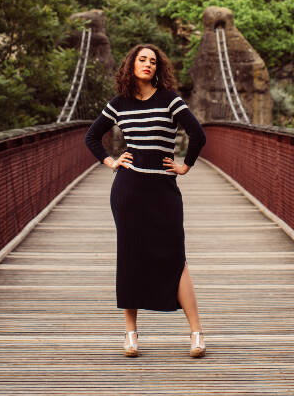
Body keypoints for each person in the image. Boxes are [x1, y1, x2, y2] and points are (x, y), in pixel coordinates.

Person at [84, 43, 207, 358]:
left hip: (164, 190)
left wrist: (185, 166)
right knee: (130, 257)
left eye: (153, 61)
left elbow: (198, 134)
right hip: (129, 189)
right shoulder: (119, 103)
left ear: (158, 67)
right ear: (132, 64)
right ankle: (131, 335)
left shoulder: (170, 100)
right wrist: (111, 162)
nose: (148, 64)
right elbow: (91, 137)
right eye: (142, 59)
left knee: (175, 258)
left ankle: (196, 334)